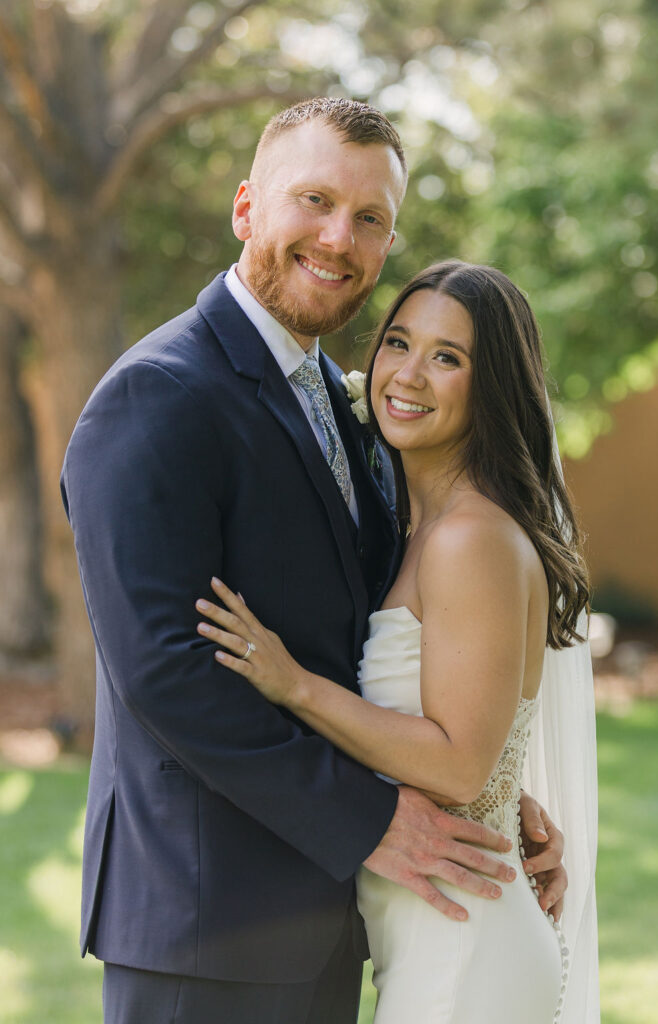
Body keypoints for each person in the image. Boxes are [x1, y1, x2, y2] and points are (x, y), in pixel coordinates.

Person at [61, 99, 568, 1024]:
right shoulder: (157, 397)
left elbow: (375, 636)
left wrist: (483, 792)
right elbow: (166, 674)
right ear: (246, 207)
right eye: (315, 201)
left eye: (369, 218)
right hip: (206, 928)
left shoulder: (346, 403)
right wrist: (373, 821)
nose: (340, 237)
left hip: (338, 918)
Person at [196, 260, 601, 1022]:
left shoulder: (468, 540)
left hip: (462, 950)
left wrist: (294, 686)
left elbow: (457, 762)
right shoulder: (422, 529)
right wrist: (508, 796)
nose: (408, 375)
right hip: (437, 937)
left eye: (447, 358)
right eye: (398, 344)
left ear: (492, 388)